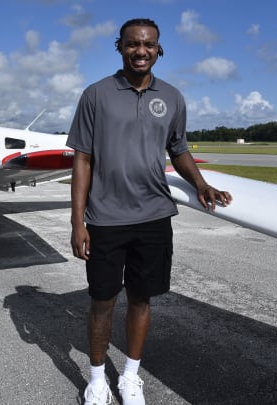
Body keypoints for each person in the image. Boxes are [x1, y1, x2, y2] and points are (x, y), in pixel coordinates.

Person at [67, 18, 232, 405]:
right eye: (132, 45)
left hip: (155, 216)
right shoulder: (95, 95)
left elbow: (178, 149)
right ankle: (96, 380)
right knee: (102, 301)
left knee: (142, 299)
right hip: (105, 219)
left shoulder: (172, 97)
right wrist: (78, 222)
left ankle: (129, 377)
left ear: (159, 49)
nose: (141, 51)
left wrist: (201, 184)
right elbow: (83, 161)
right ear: (119, 46)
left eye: (149, 45)